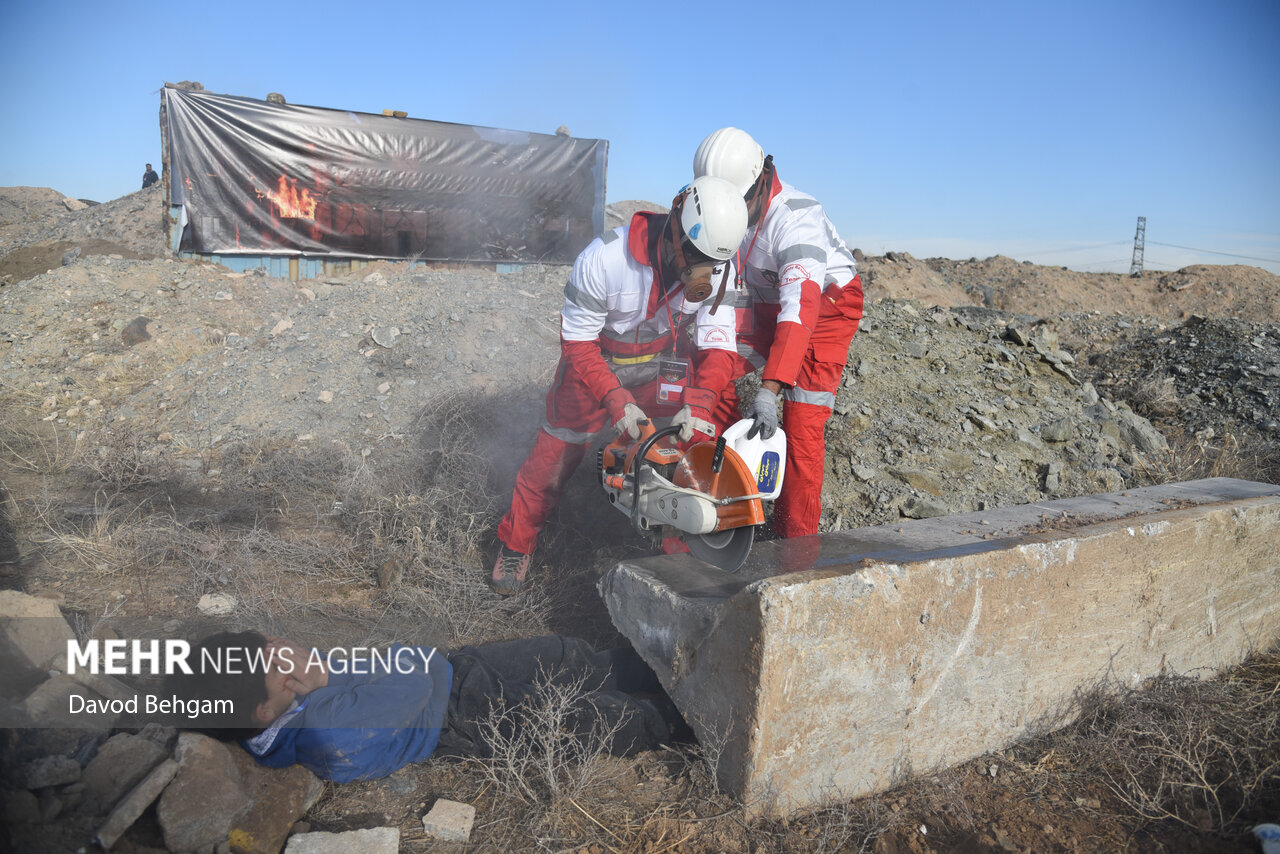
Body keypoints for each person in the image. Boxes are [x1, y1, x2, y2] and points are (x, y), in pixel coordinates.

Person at [489, 176, 749, 594]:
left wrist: (699, 405)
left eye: (711, 263)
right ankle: (516, 544)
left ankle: (680, 549)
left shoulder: (721, 269)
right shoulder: (606, 258)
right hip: (596, 366)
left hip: (660, 365)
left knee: (681, 451)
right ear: (676, 230)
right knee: (555, 453)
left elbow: (719, 348)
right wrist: (615, 400)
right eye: (695, 258)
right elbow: (578, 342)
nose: (702, 272)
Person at [165, 631, 678, 782]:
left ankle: (668, 667)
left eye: (268, 643)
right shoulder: (327, 729)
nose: (289, 654)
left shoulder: (283, 698)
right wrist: (328, 675)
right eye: (276, 663)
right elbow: (412, 675)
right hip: (463, 716)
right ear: (262, 713)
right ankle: (686, 718)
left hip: (451, 675)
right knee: (583, 722)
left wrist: (319, 672)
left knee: (566, 659)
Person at [691, 128, 864, 539]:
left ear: (761, 181)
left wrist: (769, 391)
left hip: (825, 308)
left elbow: (799, 313)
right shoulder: (725, 212)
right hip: (767, 301)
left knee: (802, 425)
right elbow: (721, 298)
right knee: (709, 374)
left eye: (736, 204)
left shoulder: (798, 220)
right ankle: (731, 475)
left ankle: (795, 545)